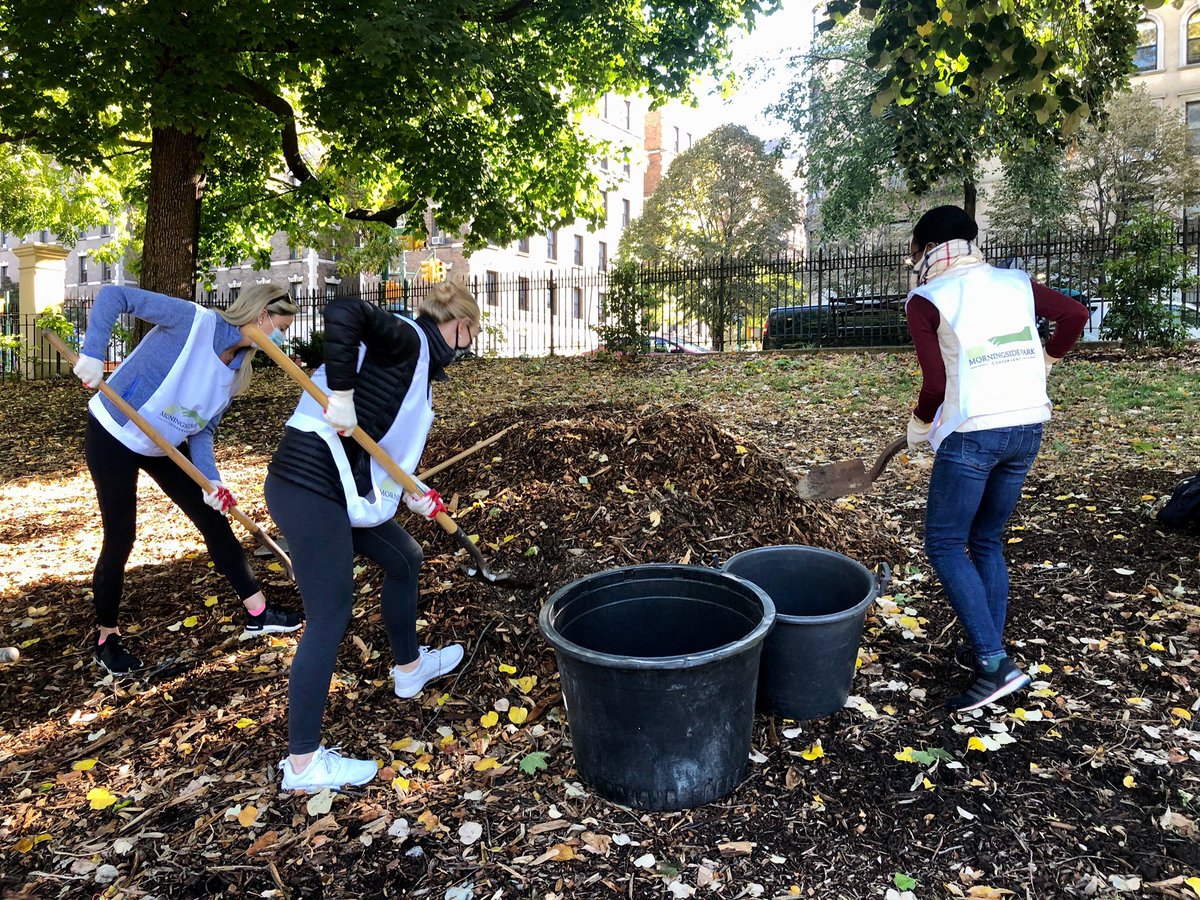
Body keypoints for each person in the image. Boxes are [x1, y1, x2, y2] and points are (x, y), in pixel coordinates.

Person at [265, 282, 480, 791]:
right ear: (461, 326)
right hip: (309, 487)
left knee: (405, 556)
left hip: (339, 488)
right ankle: (303, 764)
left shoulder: (414, 362)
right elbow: (343, 310)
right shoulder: (407, 338)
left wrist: (410, 490)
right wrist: (340, 395)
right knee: (329, 615)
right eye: (472, 336)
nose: (469, 346)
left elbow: (377, 443)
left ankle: (409, 668)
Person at [904, 205, 1087, 713]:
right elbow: (1075, 315)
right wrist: (1047, 359)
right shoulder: (1016, 283)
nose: (913, 262)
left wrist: (919, 425)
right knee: (985, 540)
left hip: (973, 433)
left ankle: (993, 663)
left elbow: (935, 385)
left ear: (928, 248)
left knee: (944, 544)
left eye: (914, 252)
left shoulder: (927, 299)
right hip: (1027, 426)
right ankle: (990, 648)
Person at [73, 283, 306, 675]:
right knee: (121, 536)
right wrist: (94, 353)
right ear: (261, 314)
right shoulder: (193, 321)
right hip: (114, 433)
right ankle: (106, 638)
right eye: (280, 328)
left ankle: (259, 613)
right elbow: (115, 296)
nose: (281, 339)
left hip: (163, 444)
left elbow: (203, 429)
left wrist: (212, 482)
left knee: (214, 520)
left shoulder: (237, 371)